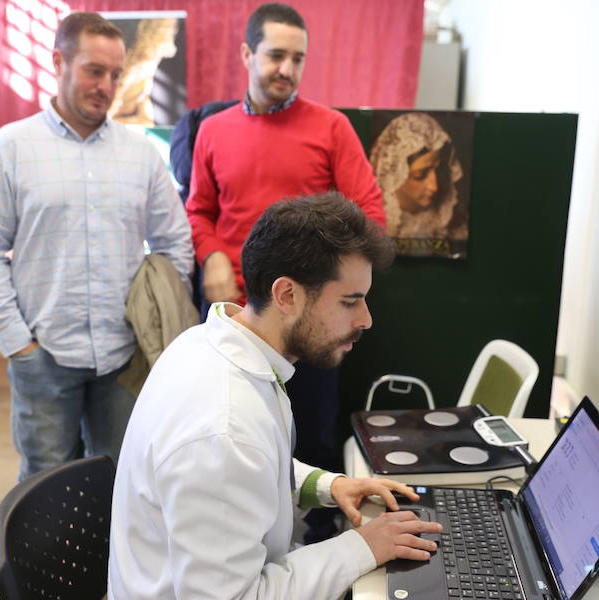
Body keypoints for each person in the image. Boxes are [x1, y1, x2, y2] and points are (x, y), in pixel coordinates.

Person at [109, 193, 441, 600]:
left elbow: (251, 471)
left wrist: (327, 486)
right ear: (287, 295)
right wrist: (363, 546)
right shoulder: (223, 426)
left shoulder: (209, 344)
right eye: (349, 301)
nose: (366, 319)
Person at [185, 1, 386, 541]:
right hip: (240, 316)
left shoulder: (332, 129)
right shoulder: (213, 129)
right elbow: (199, 210)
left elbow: (370, 217)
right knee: (231, 431)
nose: (287, 70)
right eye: (276, 56)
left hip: (313, 319)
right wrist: (213, 254)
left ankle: (322, 545)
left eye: (298, 59)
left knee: (315, 436)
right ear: (247, 54)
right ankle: (239, 542)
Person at [0, 12, 193, 482]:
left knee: (121, 486)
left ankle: (108, 562)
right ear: (58, 62)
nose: (106, 85)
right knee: (43, 490)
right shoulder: (11, 148)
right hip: (43, 357)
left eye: (115, 74)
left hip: (122, 360)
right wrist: (18, 344)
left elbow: (175, 245)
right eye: (94, 70)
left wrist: (149, 325)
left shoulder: (140, 155)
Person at [369, 112, 466, 240]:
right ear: (394, 175)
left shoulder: (452, 226)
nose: (434, 186)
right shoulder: (373, 224)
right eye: (420, 175)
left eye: (438, 170)